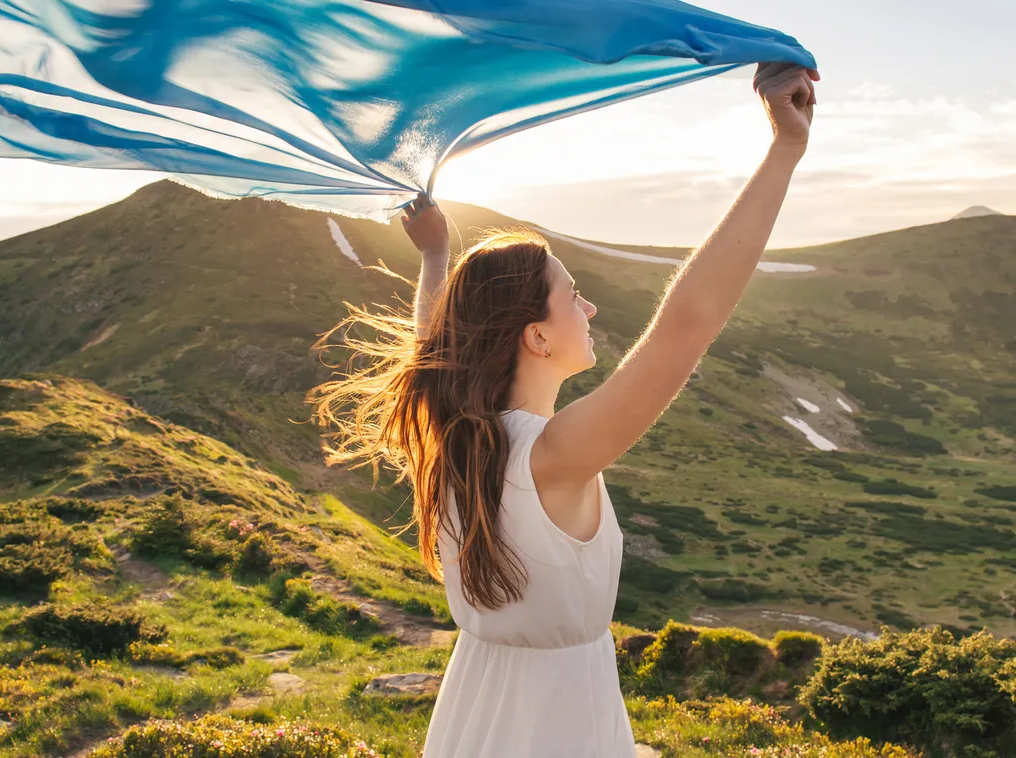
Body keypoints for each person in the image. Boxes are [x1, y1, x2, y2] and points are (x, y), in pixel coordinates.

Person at [310, 61, 818, 758]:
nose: (590, 306)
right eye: (572, 294)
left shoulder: (458, 439)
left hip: (475, 716)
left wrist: (437, 256)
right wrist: (784, 150)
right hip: (559, 726)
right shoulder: (551, 458)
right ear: (536, 336)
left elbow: (434, 349)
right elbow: (687, 324)